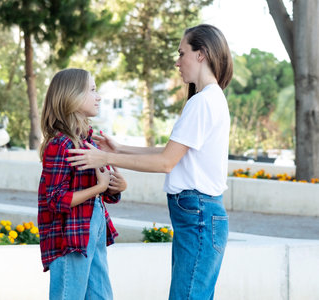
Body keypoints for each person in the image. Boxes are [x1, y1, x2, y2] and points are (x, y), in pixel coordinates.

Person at [67, 24, 233, 300]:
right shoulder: (210, 99)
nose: (178, 62)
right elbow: (175, 151)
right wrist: (120, 147)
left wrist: (105, 157)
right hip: (200, 213)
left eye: (182, 53)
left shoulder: (203, 102)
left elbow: (167, 163)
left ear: (201, 54)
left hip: (198, 213)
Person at [38, 68, 127, 300]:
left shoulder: (88, 140)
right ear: (71, 96)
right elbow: (55, 200)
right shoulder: (61, 145)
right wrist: (98, 187)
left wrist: (116, 186)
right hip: (70, 237)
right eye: (92, 90)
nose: (98, 97)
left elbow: (104, 189)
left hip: (92, 224)